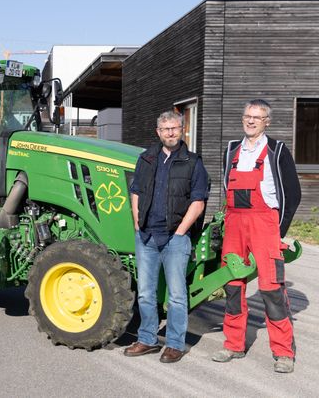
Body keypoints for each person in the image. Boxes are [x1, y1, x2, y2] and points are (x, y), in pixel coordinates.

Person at [212, 99, 301, 373]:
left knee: (272, 289)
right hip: (235, 223)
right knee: (232, 285)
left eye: (257, 117)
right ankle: (233, 345)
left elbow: (293, 194)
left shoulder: (277, 150)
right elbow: (225, 190)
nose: (251, 121)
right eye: (248, 116)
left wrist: (277, 231)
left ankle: (284, 352)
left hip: (265, 223)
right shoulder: (231, 150)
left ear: (267, 122)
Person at [124, 110, 209, 363]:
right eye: (165, 129)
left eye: (174, 128)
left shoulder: (193, 162)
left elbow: (198, 201)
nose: (170, 133)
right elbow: (136, 191)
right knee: (146, 293)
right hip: (147, 236)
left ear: (182, 130)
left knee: (176, 295)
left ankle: (174, 344)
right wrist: (138, 223)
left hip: (175, 238)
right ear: (158, 132)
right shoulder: (147, 159)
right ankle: (147, 339)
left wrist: (181, 231)